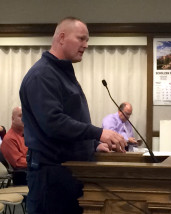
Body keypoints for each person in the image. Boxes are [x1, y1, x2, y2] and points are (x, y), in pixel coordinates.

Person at [19, 17, 126, 214]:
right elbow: (53, 123)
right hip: (52, 176)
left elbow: (72, 120)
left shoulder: (62, 72)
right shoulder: (42, 75)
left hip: (69, 172)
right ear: (61, 37)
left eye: (87, 40)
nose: (86, 45)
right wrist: (98, 133)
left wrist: (93, 144)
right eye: (81, 39)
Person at [0, 107, 27, 185]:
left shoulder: (27, 135)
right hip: (22, 176)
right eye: (21, 115)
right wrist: (39, 162)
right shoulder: (9, 139)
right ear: (13, 119)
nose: (24, 118)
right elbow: (18, 163)